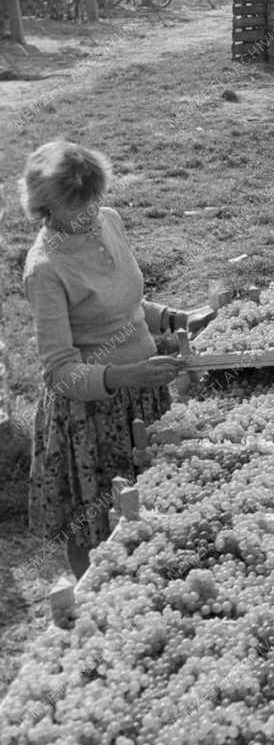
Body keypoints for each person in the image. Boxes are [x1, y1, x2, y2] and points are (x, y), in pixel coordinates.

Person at [19, 140, 211, 578]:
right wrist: (128, 374)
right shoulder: (45, 269)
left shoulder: (109, 221)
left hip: (141, 397)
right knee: (94, 527)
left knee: (149, 511)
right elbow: (59, 373)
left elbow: (125, 305)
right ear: (45, 208)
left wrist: (173, 317)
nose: (90, 214)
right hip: (92, 417)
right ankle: (93, 611)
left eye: (93, 200)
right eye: (77, 207)